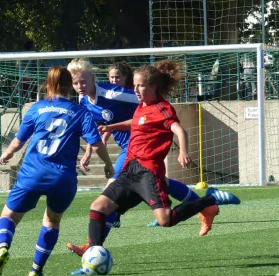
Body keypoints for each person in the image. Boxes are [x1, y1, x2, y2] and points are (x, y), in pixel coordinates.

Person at [81, 60, 240, 259]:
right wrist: (112, 127)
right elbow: (136, 122)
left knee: (165, 219)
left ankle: (211, 199)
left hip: (148, 172)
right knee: (98, 207)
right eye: (135, 85)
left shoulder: (162, 108)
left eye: (141, 86)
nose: (136, 90)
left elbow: (178, 129)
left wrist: (183, 151)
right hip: (130, 170)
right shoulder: (142, 106)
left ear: (153, 87)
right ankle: (93, 255)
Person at [0, 66, 115, 276]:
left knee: (8, 217)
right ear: (70, 86)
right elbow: (95, 143)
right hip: (62, 178)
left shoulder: (37, 109)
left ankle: (3, 248)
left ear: (48, 84)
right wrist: (108, 165)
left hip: (32, 173)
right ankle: (35, 271)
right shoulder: (79, 112)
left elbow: (18, 142)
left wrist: (7, 153)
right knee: (52, 221)